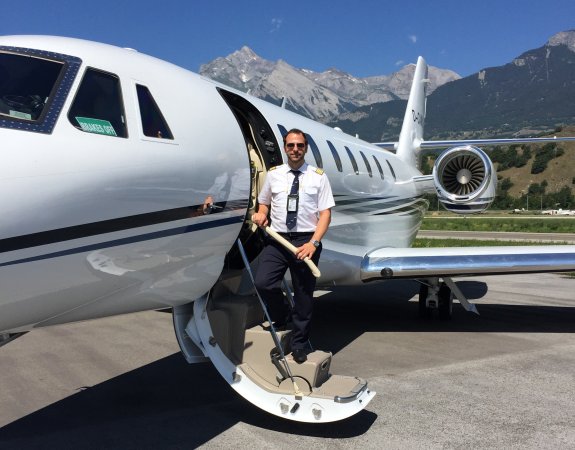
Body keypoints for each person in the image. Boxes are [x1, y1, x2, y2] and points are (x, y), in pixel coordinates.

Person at [251, 128, 335, 363]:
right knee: (263, 283)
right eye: (291, 145)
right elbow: (264, 203)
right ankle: (282, 315)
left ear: (305, 148)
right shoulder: (274, 174)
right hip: (278, 240)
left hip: (306, 240)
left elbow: (325, 214)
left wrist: (313, 243)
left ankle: (299, 344)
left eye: (299, 145)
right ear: (285, 148)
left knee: (304, 295)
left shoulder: (318, 176)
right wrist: (261, 213)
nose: (295, 149)